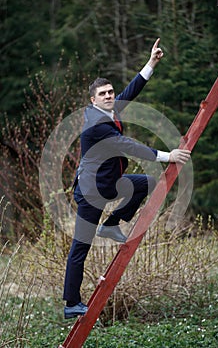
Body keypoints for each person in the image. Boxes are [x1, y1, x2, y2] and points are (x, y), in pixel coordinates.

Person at [63, 38, 191, 319]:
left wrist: (150, 64)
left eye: (110, 92)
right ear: (92, 100)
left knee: (146, 183)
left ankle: (110, 225)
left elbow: (131, 91)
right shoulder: (96, 125)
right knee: (79, 250)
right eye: (104, 94)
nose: (110, 96)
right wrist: (167, 156)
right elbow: (128, 145)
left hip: (108, 184)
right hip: (90, 193)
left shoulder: (110, 110)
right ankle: (71, 302)